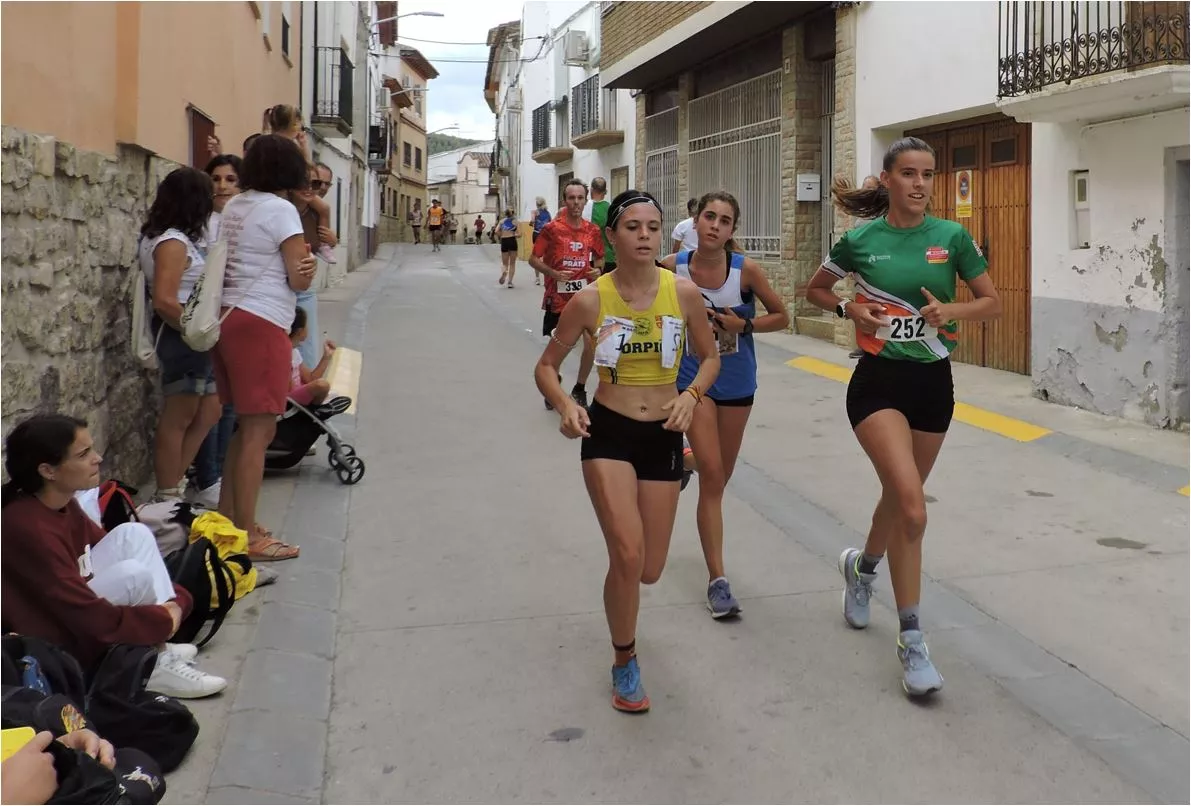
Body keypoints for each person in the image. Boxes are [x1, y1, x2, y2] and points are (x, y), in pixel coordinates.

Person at [805, 136, 1002, 697]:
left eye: (928, 174)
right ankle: (912, 640)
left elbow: (992, 302)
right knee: (913, 508)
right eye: (909, 173)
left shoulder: (952, 237)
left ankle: (862, 570)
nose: (920, 184)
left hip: (933, 384)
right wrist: (850, 307)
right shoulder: (860, 240)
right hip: (878, 384)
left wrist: (950, 310)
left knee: (898, 499)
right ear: (888, 179)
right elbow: (816, 290)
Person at [534, 190, 720, 712]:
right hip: (609, 433)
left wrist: (691, 396)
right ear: (612, 237)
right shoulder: (591, 300)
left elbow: (710, 358)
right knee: (627, 553)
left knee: (650, 570)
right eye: (633, 227)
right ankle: (624, 659)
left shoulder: (683, 294)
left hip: (663, 434)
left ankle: (675, 476)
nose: (644, 235)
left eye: (653, 227)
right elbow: (545, 367)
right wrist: (566, 405)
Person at [1, 414, 227, 698]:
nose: (97, 458)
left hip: (79, 613)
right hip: (54, 637)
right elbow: (81, 612)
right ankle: (151, 665)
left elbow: (110, 551)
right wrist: (161, 619)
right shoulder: (27, 527)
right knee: (132, 575)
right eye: (83, 454)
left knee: (133, 534)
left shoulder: (63, 504)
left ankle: (156, 648)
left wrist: (175, 603)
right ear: (48, 470)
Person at [660, 191, 789, 619]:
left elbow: (782, 316)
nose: (715, 225)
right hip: (692, 379)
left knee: (718, 476)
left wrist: (743, 324)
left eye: (725, 220)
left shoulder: (744, 270)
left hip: (736, 382)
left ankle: (686, 461)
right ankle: (718, 580)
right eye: (709, 217)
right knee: (714, 477)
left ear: (733, 229)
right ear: (694, 222)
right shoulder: (671, 268)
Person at [214, 134, 317, 562]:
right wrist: (309, 268)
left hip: (228, 317)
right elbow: (298, 277)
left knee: (244, 429)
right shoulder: (281, 210)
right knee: (260, 432)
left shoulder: (235, 206)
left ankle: (229, 522)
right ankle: (247, 536)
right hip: (263, 320)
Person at [137, 168, 223, 503]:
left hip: (194, 335)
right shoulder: (172, 242)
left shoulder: (175, 238)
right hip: (183, 336)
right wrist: (193, 330)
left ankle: (175, 483)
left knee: (209, 411)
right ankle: (168, 493)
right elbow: (164, 299)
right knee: (180, 416)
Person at [189, 155, 244, 510]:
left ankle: (221, 471)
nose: (222, 186)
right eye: (216, 178)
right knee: (212, 403)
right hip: (210, 320)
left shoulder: (243, 221)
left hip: (236, 319)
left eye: (230, 179)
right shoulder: (201, 224)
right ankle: (207, 476)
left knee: (230, 403)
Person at [529, 179, 604, 410]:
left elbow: (600, 259)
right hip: (558, 297)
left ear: (586, 200)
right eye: (571, 198)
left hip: (585, 296)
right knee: (560, 345)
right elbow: (533, 259)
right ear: (565, 200)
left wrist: (597, 270)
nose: (576, 203)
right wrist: (553, 273)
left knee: (591, 343)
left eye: (580, 198)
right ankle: (553, 381)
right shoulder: (552, 229)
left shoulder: (592, 230)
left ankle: (580, 388)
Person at [263, 105, 336, 265]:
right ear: (293, 124)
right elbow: (306, 165)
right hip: (288, 186)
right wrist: (303, 147)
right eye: (299, 123)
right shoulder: (289, 145)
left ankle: (324, 244)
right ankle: (324, 246)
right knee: (324, 209)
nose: (300, 127)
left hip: (284, 186)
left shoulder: (269, 141)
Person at [292, 162, 339, 372]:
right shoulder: (284, 206)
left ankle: (305, 384)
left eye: (324, 184)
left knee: (305, 342)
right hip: (280, 286)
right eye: (315, 182)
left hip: (304, 289)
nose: (320, 188)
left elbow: (323, 243)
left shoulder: (317, 213)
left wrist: (332, 241)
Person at [288, 307, 335, 408]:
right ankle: (312, 410)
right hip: (290, 400)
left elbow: (310, 378)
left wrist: (326, 356)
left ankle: (314, 408)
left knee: (323, 387)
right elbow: (289, 390)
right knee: (322, 385)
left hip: (297, 394)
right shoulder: (284, 356)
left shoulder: (294, 352)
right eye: (307, 325)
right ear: (300, 331)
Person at [583, 177, 616, 271]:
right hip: (607, 257)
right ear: (605, 191)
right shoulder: (610, 209)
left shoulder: (583, 207)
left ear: (591, 190)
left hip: (585, 257)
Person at [530, 197, 551, 285]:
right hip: (546, 235)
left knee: (536, 256)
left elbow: (532, 221)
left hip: (537, 234)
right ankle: (546, 278)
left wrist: (532, 222)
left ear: (537, 204)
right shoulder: (548, 213)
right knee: (546, 256)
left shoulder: (535, 212)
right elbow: (550, 224)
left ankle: (537, 278)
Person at [497, 208, 518, 287]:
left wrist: (502, 235)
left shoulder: (501, 221)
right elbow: (520, 234)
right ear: (512, 213)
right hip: (512, 241)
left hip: (504, 241)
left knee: (505, 263)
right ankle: (510, 282)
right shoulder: (516, 222)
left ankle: (504, 273)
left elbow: (496, 231)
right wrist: (514, 234)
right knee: (512, 263)